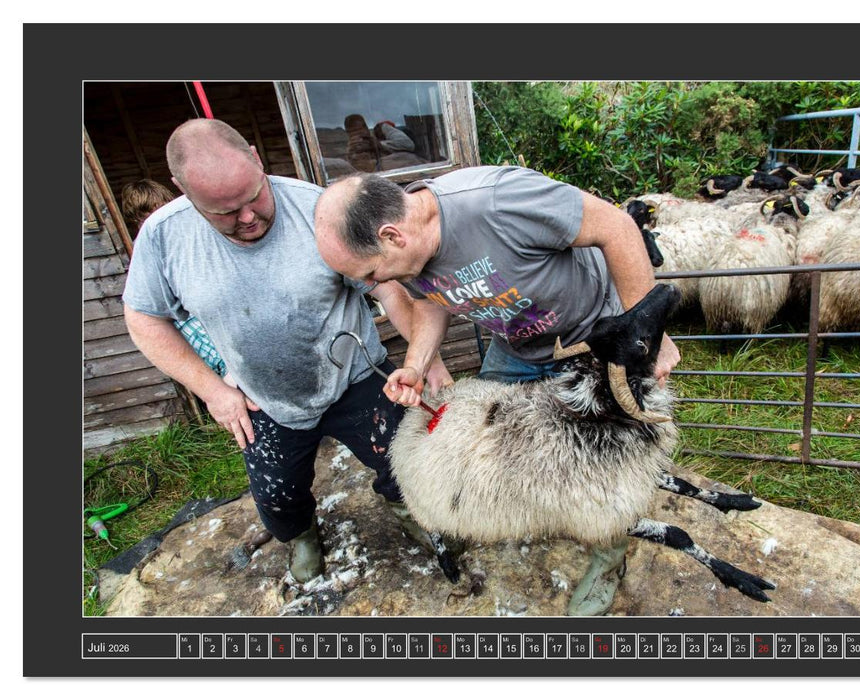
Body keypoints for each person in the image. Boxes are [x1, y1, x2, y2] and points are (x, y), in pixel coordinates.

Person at [313, 165, 681, 615]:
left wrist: (647, 335)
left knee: (603, 467)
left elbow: (617, 227)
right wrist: (415, 366)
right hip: (517, 349)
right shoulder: (406, 255)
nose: (376, 285)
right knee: (487, 445)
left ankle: (609, 555)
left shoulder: (499, 201)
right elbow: (429, 300)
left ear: (392, 236)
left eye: (371, 273)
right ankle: (531, 510)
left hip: (593, 344)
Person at [122, 119, 453, 584]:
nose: (247, 218)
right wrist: (213, 391)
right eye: (224, 212)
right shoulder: (162, 237)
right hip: (263, 396)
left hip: (354, 374)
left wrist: (426, 359)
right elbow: (143, 319)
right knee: (277, 494)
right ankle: (302, 538)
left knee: (402, 461)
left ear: (256, 158)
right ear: (182, 189)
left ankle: (411, 513)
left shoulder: (317, 210)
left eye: (254, 197)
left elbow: (388, 288)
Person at [121, 179, 229, 379]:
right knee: (220, 361)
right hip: (184, 314)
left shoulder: (188, 232)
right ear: (137, 219)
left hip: (210, 303)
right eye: (148, 215)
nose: (158, 218)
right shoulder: (143, 249)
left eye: (162, 210)